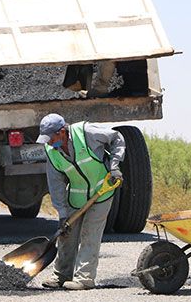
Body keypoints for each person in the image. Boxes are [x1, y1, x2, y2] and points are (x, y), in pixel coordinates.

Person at [36, 113, 125, 290]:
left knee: (89, 234)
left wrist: (114, 166)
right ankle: (61, 276)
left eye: (50, 138)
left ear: (62, 132)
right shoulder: (52, 152)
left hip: (102, 192)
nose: (48, 143)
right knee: (66, 234)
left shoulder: (86, 133)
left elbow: (117, 137)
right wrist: (62, 214)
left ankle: (84, 279)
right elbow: (56, 184)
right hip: (76, 197)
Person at [67, 0, 138, 98]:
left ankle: (98, 87)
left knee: (109, 53)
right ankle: (94, 86)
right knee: (107, 52)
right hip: (118, 15)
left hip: (123, 16)